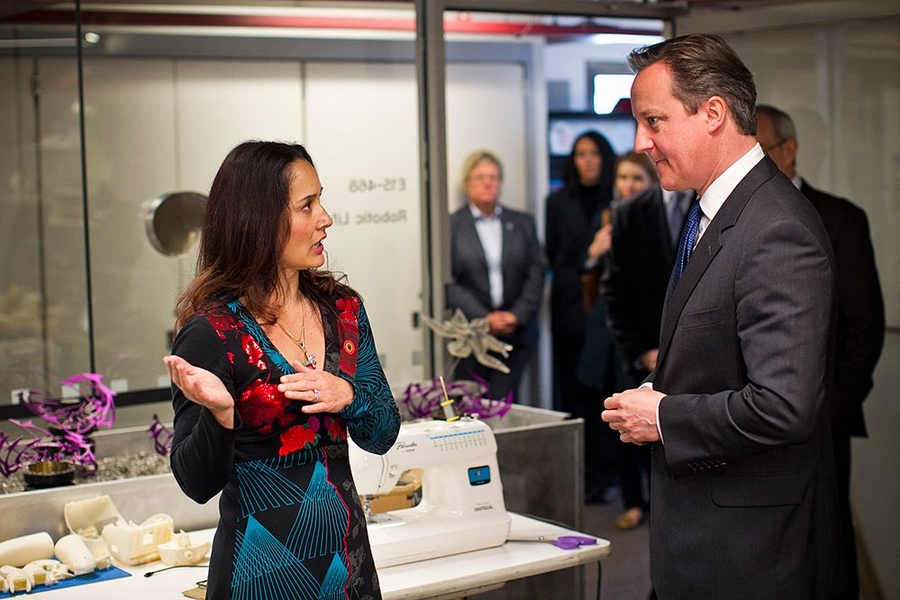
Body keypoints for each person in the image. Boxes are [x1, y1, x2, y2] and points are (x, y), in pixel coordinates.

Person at [601, 34, 846, 599]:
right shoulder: (715, 208)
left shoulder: (775, 227)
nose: (641, 143)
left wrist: (664, 417)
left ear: (713, 112)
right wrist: (661, 388)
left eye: (654, 121)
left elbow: (784, 406)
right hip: (708, 539)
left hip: (751, 553)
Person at [163, 141, 401, 599]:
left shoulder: (343, 310)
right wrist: (220, 414)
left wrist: (349, 395)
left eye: (320, 200)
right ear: (260, 219)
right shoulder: (213, 331)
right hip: (260, 577)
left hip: (350, 572)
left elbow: (384, 432)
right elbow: (195, 483)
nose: (325, 218)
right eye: (306, 205)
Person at [757, 104, 885, 600]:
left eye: (764, 150)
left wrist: (832, 407)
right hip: (753, 420)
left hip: (823, 420)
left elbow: (864, 327)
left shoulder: (840, 218)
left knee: (826, 549)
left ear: (789, 150)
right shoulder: (725, 213)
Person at [597, 151, 678, 531]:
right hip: (640, 349)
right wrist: (641, 352)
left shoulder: (705, 204)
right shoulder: (628, 215)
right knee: (628, 427)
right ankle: (635, 501)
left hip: (689, 355)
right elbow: (614, 293)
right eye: (622, 177)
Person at [545, 131, 620, 503]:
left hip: (613, 321)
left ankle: (611, 475)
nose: (587, 160)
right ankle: (585, 476)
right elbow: (556, 261)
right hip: (574, 315)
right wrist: (589, 256)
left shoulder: (620, 199)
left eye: (593, 153)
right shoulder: (558, 203)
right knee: (577, 399)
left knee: (611, 399)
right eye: (580, 154)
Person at [447, 149, 545, 401]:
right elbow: (448, 281)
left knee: (506, 407)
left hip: (514, 332)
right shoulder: (451, 226)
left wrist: (516, 315)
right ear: (466, 183)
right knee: (470, 405)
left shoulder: (523, 223)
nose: (488, 183)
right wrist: (484, 318)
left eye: (493, 177)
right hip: (471, 334)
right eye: (480, 177)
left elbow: (536, 272)